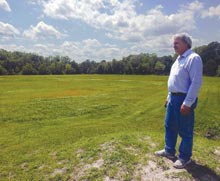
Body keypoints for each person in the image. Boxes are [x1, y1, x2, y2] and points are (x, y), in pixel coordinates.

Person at [155, 33, 203, 169]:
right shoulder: (178, 59)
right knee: (169, 125)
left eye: (177, 43)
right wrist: (169, 96)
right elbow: (176, 81)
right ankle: (169, 151)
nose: (174, 45)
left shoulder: (193, 58)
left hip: (184, 98)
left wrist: (187, 103)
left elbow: (196, 82)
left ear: (186, 44)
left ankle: (184, 157)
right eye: (173, 43)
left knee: (185, 130)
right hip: (173, 98)